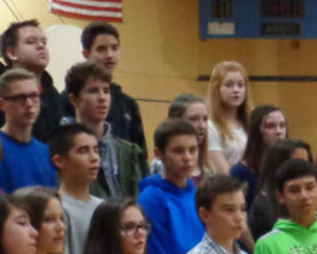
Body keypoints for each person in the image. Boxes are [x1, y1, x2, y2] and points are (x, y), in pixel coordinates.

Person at [138, 119, 204, 254]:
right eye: (178, 151)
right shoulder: (151, 199)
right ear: (158, 154)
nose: (187, 157)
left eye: (193, 150)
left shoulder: (197, 192)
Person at [62, 62, 146, 199]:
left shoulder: (127, 151)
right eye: (93, 91)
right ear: (74, 99)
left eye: (106, 91)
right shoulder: (64, 150)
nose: (102, 98)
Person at [0, 20, 65, 141]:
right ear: (12, 53)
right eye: (31, 42)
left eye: (44, 42)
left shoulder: (52, 93)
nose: (41, 46)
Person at [77, 22, 146, 151]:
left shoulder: (128, 105)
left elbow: (140, 154)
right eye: (101, 49)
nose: (110, 55)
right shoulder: (71, 98)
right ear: (86, 54)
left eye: (114, 48)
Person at [50, 124, 102, 254]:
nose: (94, 157)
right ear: (59, 161)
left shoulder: (103, 206)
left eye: (96, 150)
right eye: (83, 150)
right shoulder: (57, 208)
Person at [0, 68, 57, 192]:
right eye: (20, 97)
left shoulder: (45, 152)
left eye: (34, 96)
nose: (29, 103)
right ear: (1, 104)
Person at [247, 139, 312, 244]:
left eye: (306, 162)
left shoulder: (312, 198)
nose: (303, 168)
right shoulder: (263, 206)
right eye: (296, 163)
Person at [233, 104, 287, 210]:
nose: (279, 131)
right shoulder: (240, 172)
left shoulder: (290, 166)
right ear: (256, 130)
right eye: (270, 126)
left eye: (282, 125)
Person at [152, 94, 212, 182]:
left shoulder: (208, 167)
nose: (202, 126)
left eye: (205, 119)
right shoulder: (161, 164)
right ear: (176, 122)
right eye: (193, 119)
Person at [205, 61, 250, 173]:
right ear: (217, 89)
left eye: (240, 85)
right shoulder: (211, 127)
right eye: (229, 85)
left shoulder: (251, 124)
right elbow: (223, 173)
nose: (236, 90)